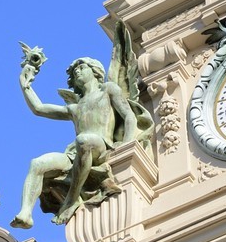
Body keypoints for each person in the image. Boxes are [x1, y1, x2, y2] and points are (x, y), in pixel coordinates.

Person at [11, 56, 140, 228]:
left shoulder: (108, 90)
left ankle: (71, 200)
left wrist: (127, 146)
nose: (77, 71)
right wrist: (25, 83)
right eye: (74, 71)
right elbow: (39, 108)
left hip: (101, 146)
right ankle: (26, 213)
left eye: (82, 67)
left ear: (95, 71)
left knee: (83, 140)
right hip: (76, 152)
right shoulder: (75, 107)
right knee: (37, 164)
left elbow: (129, 116)